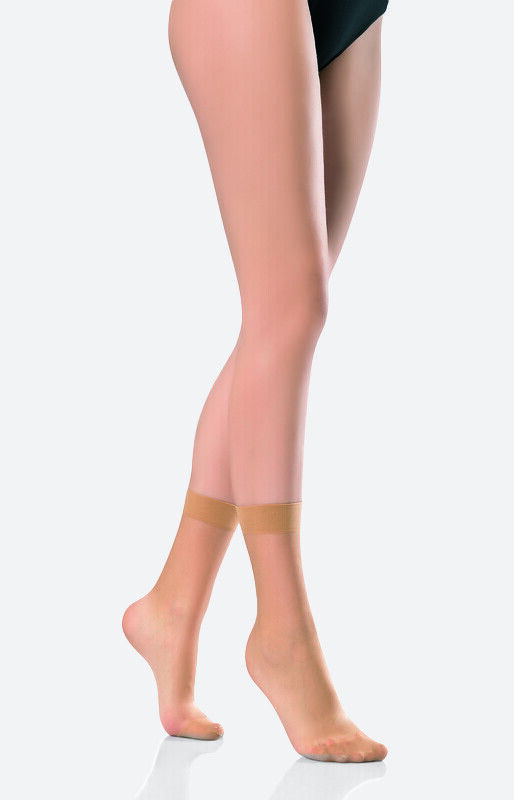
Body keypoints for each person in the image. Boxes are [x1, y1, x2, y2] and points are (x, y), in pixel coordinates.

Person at [123, 0, 389, 763]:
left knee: (283, 322)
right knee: (291, 308)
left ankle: (172, 606)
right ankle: (282, 630)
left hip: (358, 10)